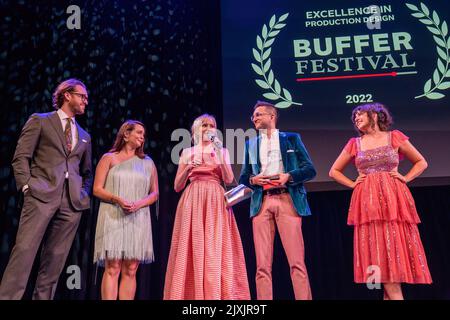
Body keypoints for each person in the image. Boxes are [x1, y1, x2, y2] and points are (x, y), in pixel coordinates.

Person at [329, 102, 432, 300]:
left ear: (375, 116)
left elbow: (421, 162)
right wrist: (352, 184)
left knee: (393, 247)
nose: (356, 118)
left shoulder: (394, 137)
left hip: (394, 199)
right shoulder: (354, 143)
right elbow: (333, 171)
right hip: (368, 201)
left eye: (360, 114)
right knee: (378, 249)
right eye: (355, 117)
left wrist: (406, 178)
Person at [0, 78, 92, 300]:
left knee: (55, 261)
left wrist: (82, 194)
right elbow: (21, 157)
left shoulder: (85, 136)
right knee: (24, 252)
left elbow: (87, 172)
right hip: (40, 195)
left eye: (87, 98)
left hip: (71, 204)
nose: (86, 102)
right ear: (67, 94)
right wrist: (26, 186)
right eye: (82, 96)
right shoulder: (40, 121)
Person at [164, 114, 250, 300]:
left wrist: (219, 153)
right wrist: (188, 168)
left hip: (215, 199)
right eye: (204, 125)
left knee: (215, 246)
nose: (209, 128)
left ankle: (217, 294)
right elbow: (177, 186)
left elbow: (228, 179)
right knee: (191, 246)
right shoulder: (187, 152)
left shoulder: (223, 150)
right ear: (196, 129)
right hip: (193, 198)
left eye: (212, 125)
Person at [239, 101, 316, 300]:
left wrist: (289, 176)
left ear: (271, 116)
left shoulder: (291, 138)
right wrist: (252, 180)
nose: (254, 118)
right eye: (253, 116)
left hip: (287, 199)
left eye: (258, 114)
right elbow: (243, 177)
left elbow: (310, 169)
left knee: (297, 262)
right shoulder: (250, 144)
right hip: (261, 203)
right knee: (262, 266)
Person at [93, 120, 159, 300]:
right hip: (113, 215)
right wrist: (117, 199)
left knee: (131, 269)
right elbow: (97, 189)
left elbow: (154, 193)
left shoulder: (147, 162)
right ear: (126, 134)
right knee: (112, 267)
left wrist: (139, 204)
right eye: (138, 132)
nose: (142, 137)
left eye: (143, 135)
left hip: (138, 218)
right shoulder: (109, 158)